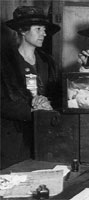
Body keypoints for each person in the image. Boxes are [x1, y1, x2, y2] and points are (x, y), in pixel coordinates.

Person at [1, 6, 61, 168]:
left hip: (45, 136)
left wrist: (47, 106)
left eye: (44, 29)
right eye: (38, 29)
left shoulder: (48, 62)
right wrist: (31, 111)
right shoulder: (4, 62)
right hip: (13, 140)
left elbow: (57, 95)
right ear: (22, 30)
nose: (44, 33)